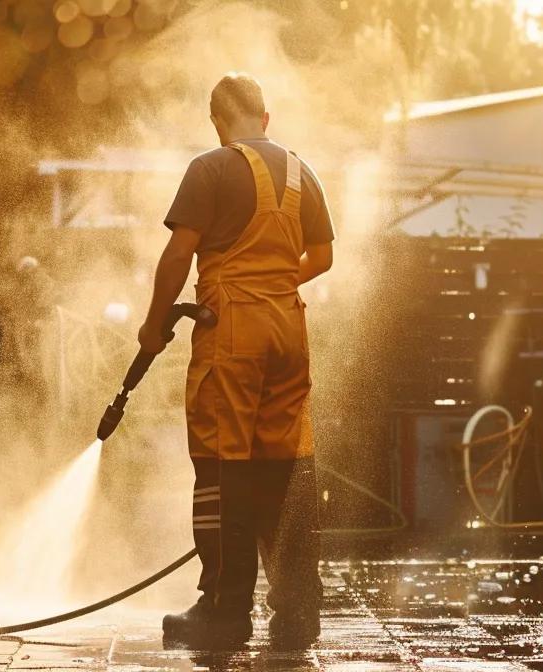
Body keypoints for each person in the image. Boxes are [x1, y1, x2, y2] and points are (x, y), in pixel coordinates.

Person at [138, 72, 334, 650]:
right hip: (289, 331)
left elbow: (179, 253)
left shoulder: (212, 167)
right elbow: (321, 257)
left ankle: (224, 611)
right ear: (265, 117)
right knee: (286, 465)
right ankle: (298, 611)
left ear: (218, 120)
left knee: (222, 465)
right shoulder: (303, 172)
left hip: (232, 332)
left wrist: (153, 328)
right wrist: (272, 284)